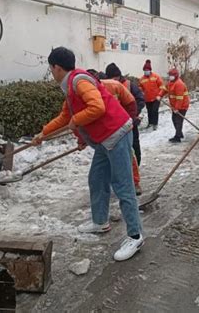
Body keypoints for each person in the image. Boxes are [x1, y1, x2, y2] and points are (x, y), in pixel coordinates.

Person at [33, 47, 144, 261]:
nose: (51, 73)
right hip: (104, 140)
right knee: (96, 179)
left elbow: (97, 107)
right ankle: (100, 221)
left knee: (123, 186)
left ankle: (135, 235)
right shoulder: (71, 88)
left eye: (51, 68)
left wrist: (77, 121)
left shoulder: (79, 81)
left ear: (56, 67)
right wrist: (43, 134)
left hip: (117, 134)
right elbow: (65, 117)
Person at [91, 67, 143, 196]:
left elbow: (134, 102)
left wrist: (131, 119)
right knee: (108, 159)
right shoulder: (89, 92)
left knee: (129, 154)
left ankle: (134, 183)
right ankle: (114, 182)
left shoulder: (117, 86)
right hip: (105, 131)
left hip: (124, 126)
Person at [103, 63, 145, 166]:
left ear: (118, 76)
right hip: (115, 125)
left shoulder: (129, 85)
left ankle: (135, 168)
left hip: (130, 121)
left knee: (133, 146)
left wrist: (134, 114)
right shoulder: (106, 86)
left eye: (115, 77)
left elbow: (140, 100)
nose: (113, 80)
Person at [157, 68, 190, 143]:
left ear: (175, 76)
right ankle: (179, 133)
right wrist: (160, 95)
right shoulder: (170, 83)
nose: (170, 77)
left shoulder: (179, 84)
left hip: (182, 105)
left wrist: (177, 108)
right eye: (169, 75)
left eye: (171, 75)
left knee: (178, 120)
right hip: (175, 105)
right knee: (174, 119)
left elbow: (179, 98)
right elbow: (164, 89)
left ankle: (177, 137)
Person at [139, 59, 165, 130]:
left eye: (147, 70)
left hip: (156, 98)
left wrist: (160, 95)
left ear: (150, 70)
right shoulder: (141, 79)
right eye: (144, 70)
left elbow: (162, 86)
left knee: (154, 111)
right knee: (149, 111)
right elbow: (140, 87)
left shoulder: (156, 77)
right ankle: (150, 123)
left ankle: (155, 124)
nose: (146, 71)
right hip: (147, 99)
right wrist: (141, 92)